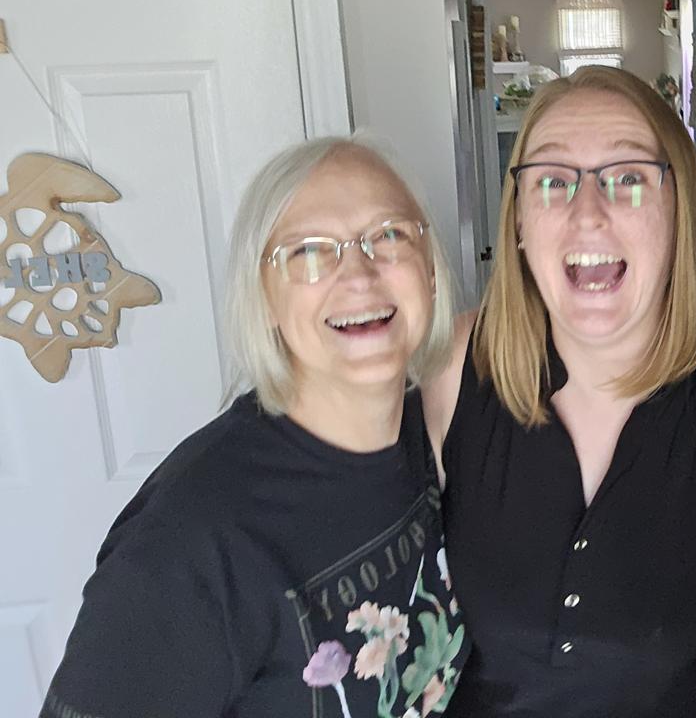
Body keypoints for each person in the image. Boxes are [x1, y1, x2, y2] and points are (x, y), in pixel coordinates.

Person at [41, 138, 469, 718]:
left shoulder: (436, 430)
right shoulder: (186, 543)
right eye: (309, 252)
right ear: (264, 297)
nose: (359, 274)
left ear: (432, 270)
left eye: (389, 234)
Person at [423, 66, 696, 717]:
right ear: (521, 222)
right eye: (553, 182)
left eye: (628, 179)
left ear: (681, 214)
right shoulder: (454, 369)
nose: (588, 214)